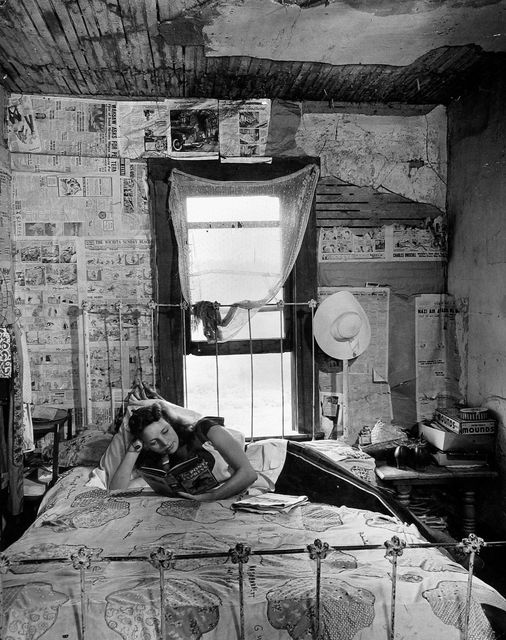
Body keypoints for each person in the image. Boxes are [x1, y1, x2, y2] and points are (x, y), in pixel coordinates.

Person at [109, 383, 257, 501]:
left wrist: (212, 496)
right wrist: (133, 450)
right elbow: (115, 493)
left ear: (171, 422)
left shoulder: (205, 429)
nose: (164, 443)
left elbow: (249, 474)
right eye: (154, 442)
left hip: (240, 485)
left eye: (165, 431)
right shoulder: (156, 463)